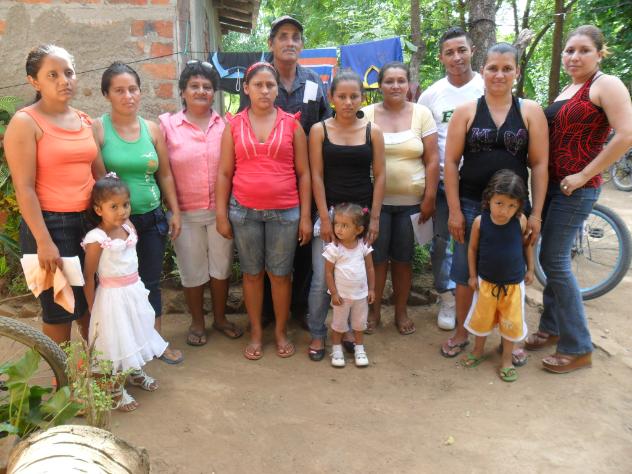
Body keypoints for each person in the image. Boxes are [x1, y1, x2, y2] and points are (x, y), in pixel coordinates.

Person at [526, 25, 632, 373]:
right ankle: (552, 327)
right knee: (551, 256)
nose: (574, 56)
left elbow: (626, 135)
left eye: (584, 50)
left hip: (577, 186)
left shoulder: (605, 84)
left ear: (599, 53)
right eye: (569, 50)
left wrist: (584, 175)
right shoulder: (568, 88)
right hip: (554, 185)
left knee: (554, 260)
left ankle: (578, 347)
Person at [442, 43, 548, 364]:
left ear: (517, 72)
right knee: (465, 270)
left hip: (515, 210)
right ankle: (462, 332)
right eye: (492, 68)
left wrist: (536, 214)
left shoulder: (530, 111)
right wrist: (455, 210)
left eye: (506, 68)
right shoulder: (466, 111)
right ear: (483, 70)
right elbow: (450, 162)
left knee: (511, 272)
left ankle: (511, 339)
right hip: (471, 203)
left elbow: (539, 164)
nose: (499, 75)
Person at [4, 44, 105, 344]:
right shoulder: (25, 122)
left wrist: (111, 222)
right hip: (49, 226)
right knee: (60, 309)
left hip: (90, 223)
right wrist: (44, 241)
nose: (64, 81)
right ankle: (61, 373)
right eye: (53, 75)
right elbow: (24, 188)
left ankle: (93, 366)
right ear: (34, 81)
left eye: (69, 73)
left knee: (94, 302)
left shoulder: (85, 121)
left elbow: (100, 176)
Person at [215, 62, 312, 360]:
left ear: (277, 89)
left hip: (285, 212)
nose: (265, 90)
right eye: (258, 85)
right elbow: (224, 173)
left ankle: (280, 331)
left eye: (270, 85)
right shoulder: (233, 126)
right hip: (244, 212)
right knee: (252, 274)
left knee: (280, 275)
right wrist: (221, 214)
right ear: (246, 88)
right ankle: (256, 332)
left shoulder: (292, 125)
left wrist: (305, 217)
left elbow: (304, 174)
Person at [240, 15, 332, 328]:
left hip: (306, 177)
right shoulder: (261, 78)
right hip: (267, 179)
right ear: (271, 43)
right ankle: (267, 311)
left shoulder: (313, 81)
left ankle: (300, 307)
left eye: (295, 37)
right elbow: (244, 122)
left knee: (304, 245)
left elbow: (326, 124)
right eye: (282, 36)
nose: (289, 42)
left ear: (302, 44)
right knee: (267, 252)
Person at [93, 62, 183, 364]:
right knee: (118, 286)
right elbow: (99, 179)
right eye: (119, 90)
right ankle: (123, 347)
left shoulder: (152, 129)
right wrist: (118, 220)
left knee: (150, 282)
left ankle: (155, 343)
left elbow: (165, 174)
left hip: (152, 218)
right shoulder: (98, 129)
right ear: (106, 94)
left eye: (133, 89)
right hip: (115, 225)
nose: (128, 96)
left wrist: (174, 211)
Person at [159, 60, 242, 347]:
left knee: (221, 268)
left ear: (214, 92)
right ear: (183, 91)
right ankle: (197, 321)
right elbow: (163, 171)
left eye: (207, 87)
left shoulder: (226, 125)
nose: (201, 91)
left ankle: (220, 318)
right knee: (192, 270)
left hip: (221, 211)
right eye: (194, 86)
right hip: (184, 212)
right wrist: (173, 210)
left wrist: (225, 212)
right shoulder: (167, 126)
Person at [307, 70, 385, 361]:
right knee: (321, 278)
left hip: (361, 217)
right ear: (331, 98)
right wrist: (325, 219)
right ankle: (317, 332)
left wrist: (374, 218)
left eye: (354, 96)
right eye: (342, 96)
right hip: (329, 213)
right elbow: (315, 175)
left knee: (356, 276)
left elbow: (380, 174)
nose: (348, 102)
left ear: (362, 98)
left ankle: (351, 332)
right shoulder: (319, 131)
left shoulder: (372, 131)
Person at [363, 61, 439, 335]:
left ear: (409, 85)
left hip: (411, 204)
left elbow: (432, 159)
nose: (395, 86)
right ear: (379, 85)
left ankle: (401, 311)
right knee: (376, 258)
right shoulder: (366, 114)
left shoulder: (422, 114)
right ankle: (373, 311)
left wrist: (430, 196)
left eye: (400, 81)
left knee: (403, 259)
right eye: (389, 81)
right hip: (376, 204)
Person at [82, 174, 168, 412]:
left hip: (133, 291)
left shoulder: (128, 227)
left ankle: (135, 372)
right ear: (98, 209)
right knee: (117, 341)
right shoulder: (96, 239)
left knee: (137, 331)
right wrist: (92, 306)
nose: (122, 211)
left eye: (125, 205)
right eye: (114, 207)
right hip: (112, 298)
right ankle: (115, 389)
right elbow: (88, 276)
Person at [418, 27, 484, 331]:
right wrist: (429, 189)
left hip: (483, 183)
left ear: (472, 51)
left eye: (462, 50)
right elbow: (424, 143)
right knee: (443, 242)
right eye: (449, 52)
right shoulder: (431, 95)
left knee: (481, 241)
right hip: (445, 182)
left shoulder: (487, 87)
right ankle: (447, 297)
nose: (456, 57)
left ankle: (480, 298)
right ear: (441, 58)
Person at [462, 170, 534, 382]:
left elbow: (526, 245)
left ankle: (506, 360)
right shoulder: (480, 222)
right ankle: (478, 351)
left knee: (511, 323)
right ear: (489, 199)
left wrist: (530, 269)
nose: (504, 210)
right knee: (482, 320)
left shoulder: (520, 221)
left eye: (512, 205)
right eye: (499, 203)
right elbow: (472, 249)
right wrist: (472, 276)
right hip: (485, 283)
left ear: (519, 206)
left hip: (513, 286)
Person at [324, 203, 375, 368]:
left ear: (358, 230)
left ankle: (359, 349)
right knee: (338, 324)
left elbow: (370, 268)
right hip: (341, 297)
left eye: (345, 225)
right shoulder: (334, 249)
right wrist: (333, 293)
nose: (338, 229)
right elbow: (328, 273)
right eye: (336, 224)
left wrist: (371, 289)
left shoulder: (363, 246)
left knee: (359, 324)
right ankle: (336, 349)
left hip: (360, 295)